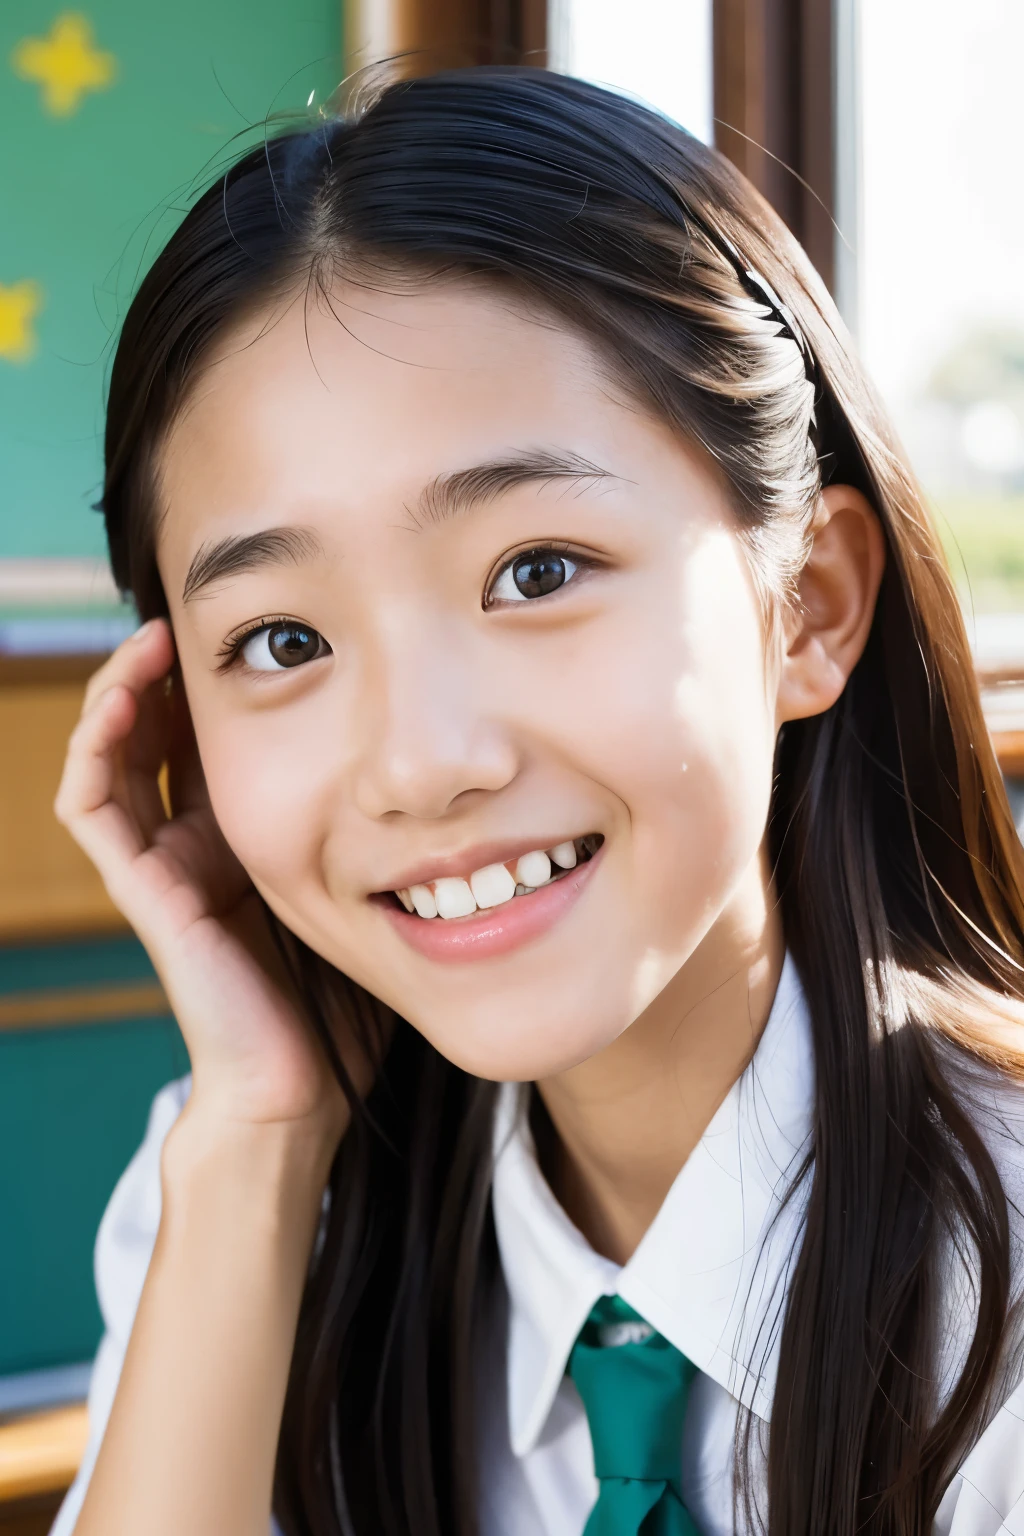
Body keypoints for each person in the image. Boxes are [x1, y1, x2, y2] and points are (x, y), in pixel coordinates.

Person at [50, 68, 1024, 1536]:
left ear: (807, 609)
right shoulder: (242, 1190)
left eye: (540, 572)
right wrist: (255, 1150)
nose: (422, 762)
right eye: (284, 642)